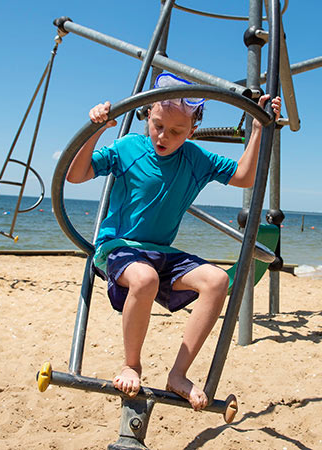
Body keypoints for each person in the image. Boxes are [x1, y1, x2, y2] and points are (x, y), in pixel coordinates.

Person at [66, 73, 281, 411]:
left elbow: (244, 176)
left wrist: (257, 130)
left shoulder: (196, 159)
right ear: (147, 115)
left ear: (192, 131)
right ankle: (132, 364)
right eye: (157, 125)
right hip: (119, 248)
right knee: (145, 277)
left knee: (217, 280)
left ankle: (179, 374)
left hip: (162, 253)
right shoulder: (129, 148)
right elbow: (74, 175)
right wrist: (95, 130)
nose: (163, 136)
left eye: (176, 131)